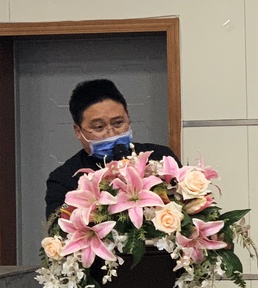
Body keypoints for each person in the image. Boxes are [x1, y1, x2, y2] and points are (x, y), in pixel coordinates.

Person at [45, 79, 179, 220]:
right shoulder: (63, 179)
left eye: (118, 123)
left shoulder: (160, 157)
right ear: (78, 131)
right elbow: (56, 224)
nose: (111, 133)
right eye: (99, 127)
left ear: (129, 119)